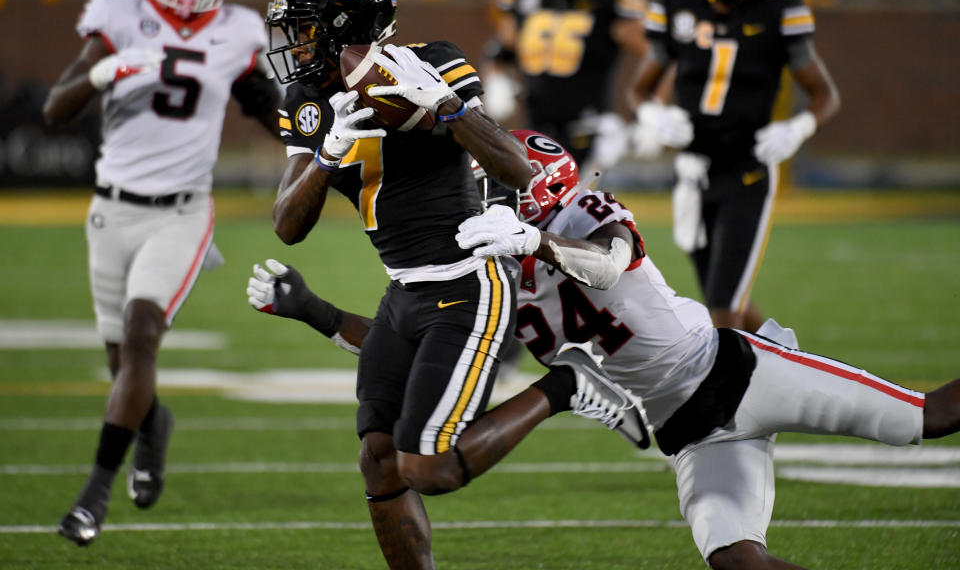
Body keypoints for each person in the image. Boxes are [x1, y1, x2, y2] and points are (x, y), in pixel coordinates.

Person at [249, 130, 960, 570]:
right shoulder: (484, 270)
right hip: (688, 437)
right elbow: (407, 349)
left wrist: (538, 241)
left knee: (928, 416)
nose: (483, 199)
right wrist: (313, 312)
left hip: (742, 374)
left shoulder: (581, 215)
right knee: (739, 559)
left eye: (497, 187)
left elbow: (610, 262)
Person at [263, 0, 646, 570]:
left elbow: (515, 169)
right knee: (379, 458)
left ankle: (568, 384)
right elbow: (287, 225)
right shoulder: (307, 98)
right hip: (403, 290)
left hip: (467, 284)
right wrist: (328, 155)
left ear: (343, 25)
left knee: (429, 465)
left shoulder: (432, 63)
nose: (294, 44)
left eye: (306, 28)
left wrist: (447, 107)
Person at [44, 0, 281, 546]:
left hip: (182, 211)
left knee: (143, 336)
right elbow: (55, 110)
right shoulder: (118, 14)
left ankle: (93, 496)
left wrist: (320, 136)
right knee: (120, 361)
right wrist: (104, 69)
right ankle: (155, 426)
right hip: (110, 210)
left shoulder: (237, 30)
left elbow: (266, 107)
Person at [632, 0, 841, 331]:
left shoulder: (779, 12)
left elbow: (825, 95)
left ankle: (726, 393)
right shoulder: (677, 8)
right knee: (723, 299)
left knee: (724, 308)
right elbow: (639, 90)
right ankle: (784, 361)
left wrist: (798, 128)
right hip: (692, 173)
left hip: (747, 170)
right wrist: (652, 116)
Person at [484, 0, 648, 178]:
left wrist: (644, 108)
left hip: (588, 123)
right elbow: (502, 46)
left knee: (573, 203)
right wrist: (496, 79)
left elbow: (654, 53)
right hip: (537, 122)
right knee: (534, 204)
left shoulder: (608, 0)